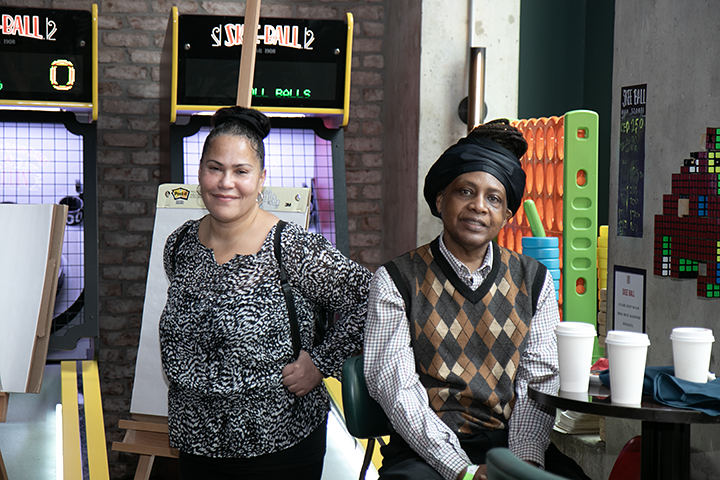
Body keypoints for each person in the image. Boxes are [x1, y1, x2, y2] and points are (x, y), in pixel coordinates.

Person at [364, 120, 586, 480]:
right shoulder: (396, 280)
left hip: (512, 444)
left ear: (506, 215)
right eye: (466, 192)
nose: (479, 206)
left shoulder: (534, 280)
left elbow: (539, 381)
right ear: (441, 200)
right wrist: (461, 470)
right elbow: (394, 386)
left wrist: (523, 465)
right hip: (425, 449)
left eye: (493, 198)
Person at [159, 106, 372, 480]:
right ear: (200, 172)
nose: (226, 182)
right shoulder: (180, 245)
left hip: (278, 446)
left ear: (261, 180)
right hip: (195, 443)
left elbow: (375, 299)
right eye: (215, 168)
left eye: (241, 171)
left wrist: (321, 363)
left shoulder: (291, 248)